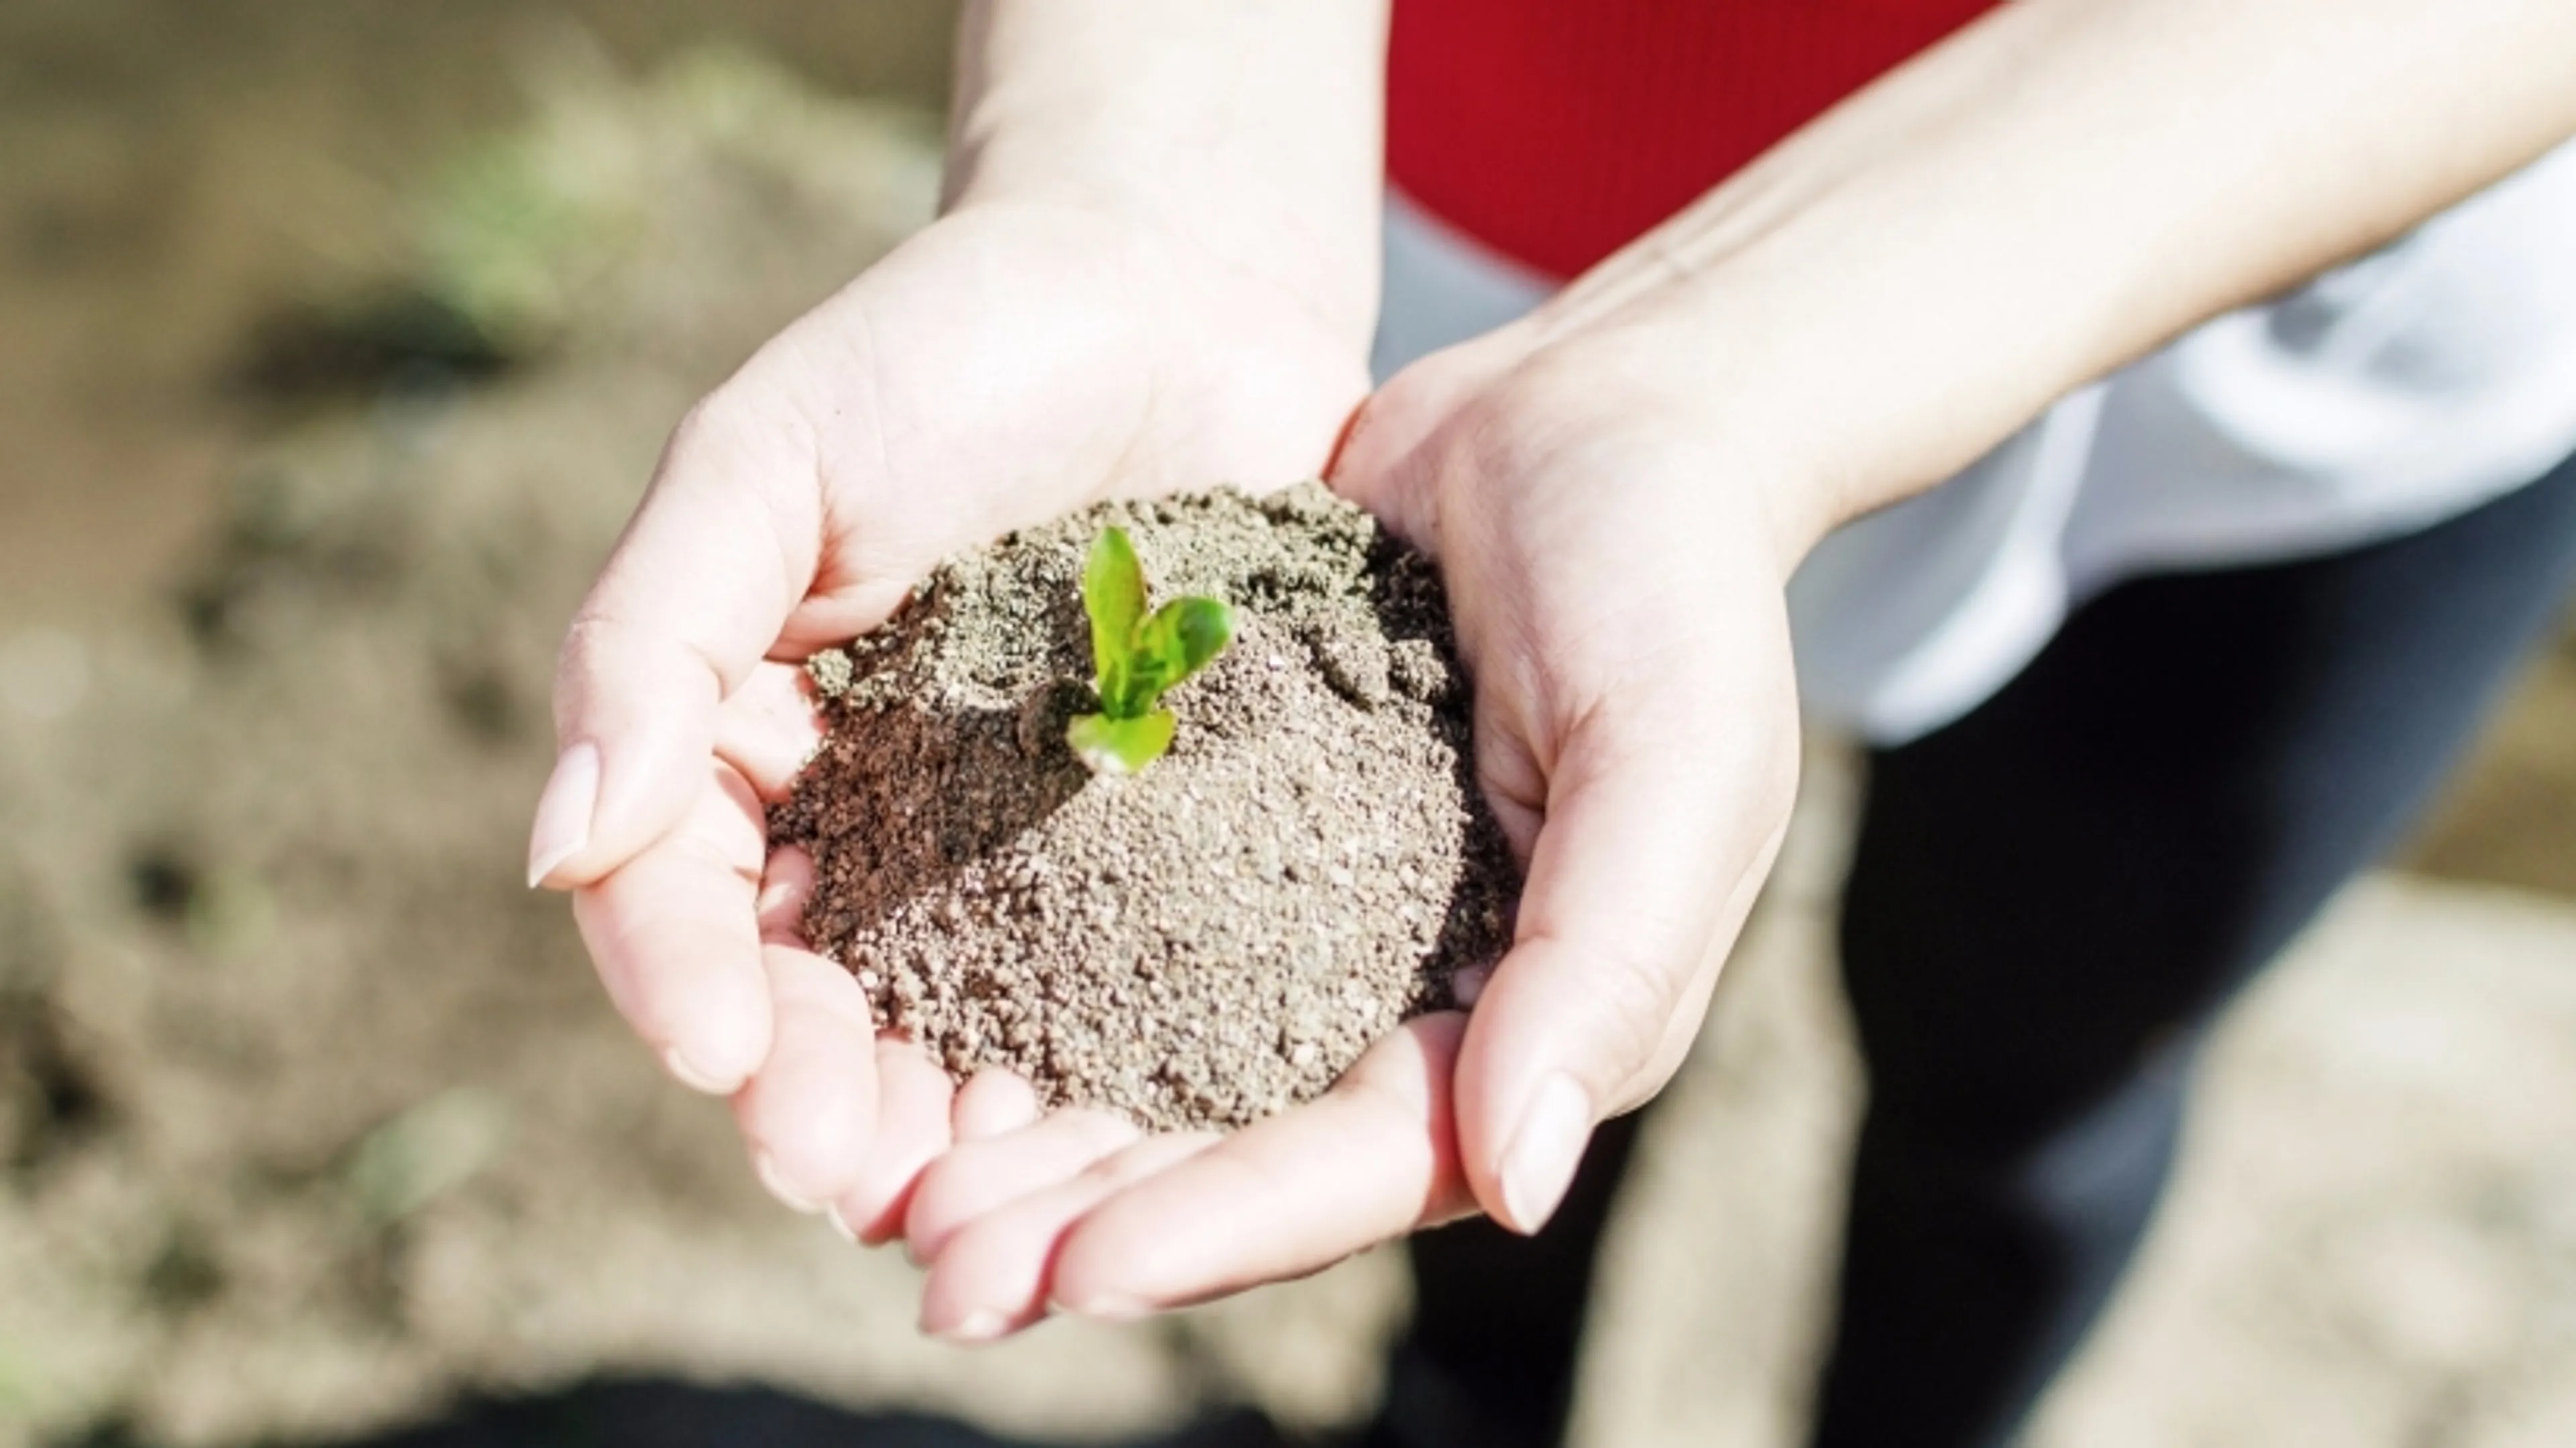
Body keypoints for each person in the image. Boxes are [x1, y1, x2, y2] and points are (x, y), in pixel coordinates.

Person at [525, 3, 2576, 1444]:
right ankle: (1470, 1416)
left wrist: (1732, 355)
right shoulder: (1319, 444)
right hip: (1449, 222)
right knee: (1523, 980)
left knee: (2037, 1049)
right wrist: (1132, 171)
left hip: (2324, 286)